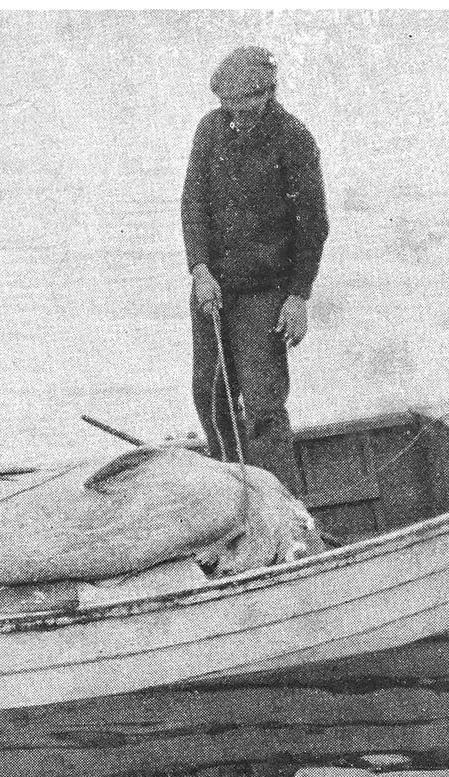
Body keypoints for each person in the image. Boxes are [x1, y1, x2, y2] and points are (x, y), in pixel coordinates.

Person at [182, 46, 329, 498]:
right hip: (213, 289)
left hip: (267, 293)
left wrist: (298, 297)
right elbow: (193, 203)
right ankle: (234, 500)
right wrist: (199, 268)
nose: (236, 118)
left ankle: (285, 510)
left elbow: (314, 224)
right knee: (209, 396)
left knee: (263, 406)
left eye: (245, 109)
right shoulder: (210, 128)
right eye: (229, 108)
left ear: (269, 94)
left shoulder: (294, 140)